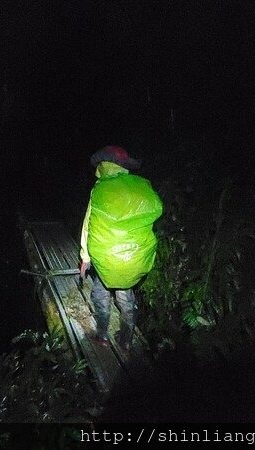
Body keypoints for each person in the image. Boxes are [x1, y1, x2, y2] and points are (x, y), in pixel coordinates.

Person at [79, 146, 163, 351]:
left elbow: (88, 226)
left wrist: (85, 257)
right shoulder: (140, 187)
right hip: (132, 256)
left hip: (105, 257)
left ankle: (102, 336)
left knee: (101, 293)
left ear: (103, 166)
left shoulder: (100, 189)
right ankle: (126, 340)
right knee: (126, 296)